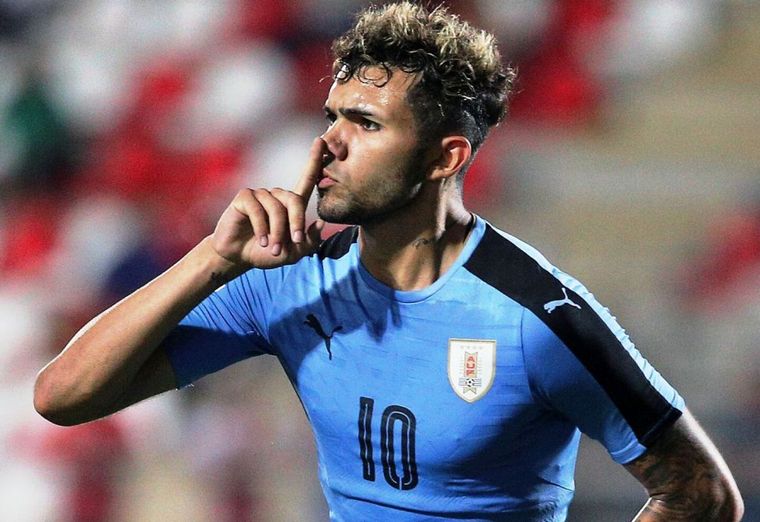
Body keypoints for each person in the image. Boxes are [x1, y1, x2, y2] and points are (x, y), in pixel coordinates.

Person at [34, 2, 743, 520]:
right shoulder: (287, 281)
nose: (328, 145)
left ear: (445, 157)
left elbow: (699, 492)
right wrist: (210, 262)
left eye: (365, 124)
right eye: (332, 116)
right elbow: (63, 397)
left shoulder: (538, 317)